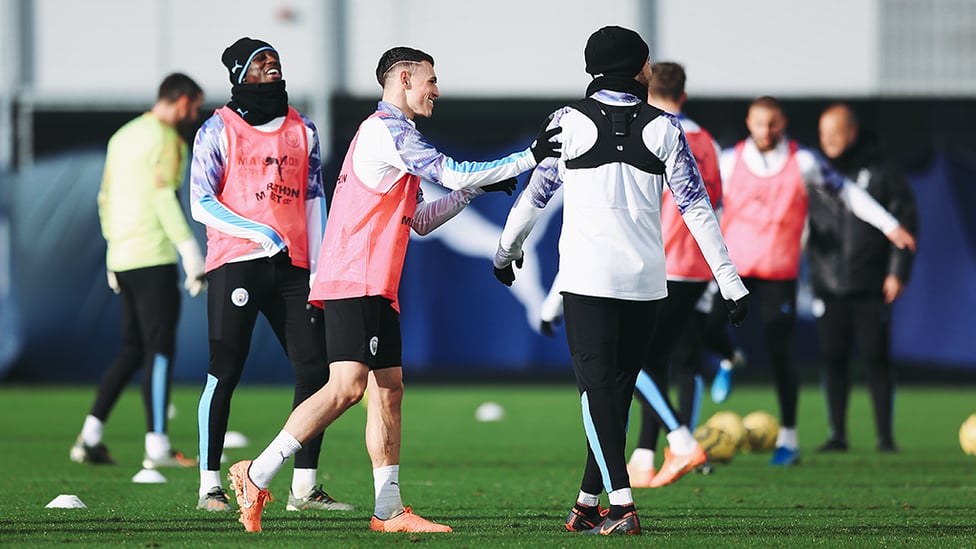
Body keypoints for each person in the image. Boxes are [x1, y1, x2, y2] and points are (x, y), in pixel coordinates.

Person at [225, 45, 559, 534]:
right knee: (347, 388)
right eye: (431, 80)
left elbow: (421, 222)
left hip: (375, 283)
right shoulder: (388, 130)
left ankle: (387, 511)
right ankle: (255, 472)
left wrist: (470, 193)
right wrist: (526, 158)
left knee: (389, 391)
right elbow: (449, 171)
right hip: (354, 278)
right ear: (404, 78)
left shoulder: (397, 137)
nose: (436, 90)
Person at [493, 27, 748, 535]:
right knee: (614, 392)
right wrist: (729, 280)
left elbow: (533, 197)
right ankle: (589, 502)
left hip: (588, 281)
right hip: (648, 283)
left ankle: (623, 506)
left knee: (597, 393)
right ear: (637, 68)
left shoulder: (566, 123)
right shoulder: (667, 129)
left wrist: (507, 252)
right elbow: (698, 210)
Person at [189, 37, 351, 514]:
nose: (271, 66)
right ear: (240, 74)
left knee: (317, 372)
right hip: (235, 262)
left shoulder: (305, 130)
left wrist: (321, 267)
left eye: (274, 59)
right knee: (225, 370)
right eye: (260, 62)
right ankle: (209, 487)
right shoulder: (216, 129)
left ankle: (304, 488)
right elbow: (202, 202)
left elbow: (312, 199)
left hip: (293, 269)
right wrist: (257, 233)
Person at [713, 96, 916, 466]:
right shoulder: (728, 162)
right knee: (704, 327)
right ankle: (727, 359)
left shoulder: (804, 162)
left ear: (783, 122)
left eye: (773, 123)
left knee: (781, 351)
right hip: (735, 270)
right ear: (748, 123)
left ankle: (790, 438)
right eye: (760, 123)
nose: (766, 131)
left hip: (781, 271)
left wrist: (889, 226)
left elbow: (849, 194)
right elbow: (702, 201)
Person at [70, 73, 206, 469]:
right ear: (181, 102)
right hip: (153, 255)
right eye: (194, 107)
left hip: (123, 258)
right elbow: (164, 196)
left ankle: (90, 436)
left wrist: (113, 249)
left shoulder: (122, 136)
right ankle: (157, 447)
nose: (194, 115)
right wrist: (189, 251)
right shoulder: (167, 139)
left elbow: (104, 198)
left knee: (132, 350)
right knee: (159, 350)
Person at [810, 103, 918, 453]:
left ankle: (885, 437)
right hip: (828, 284)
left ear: (852, 133)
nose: (828, 140)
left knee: (876, 359)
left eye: (835, 132)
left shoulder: (882, 169)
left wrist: (897, 272)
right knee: (834, 358)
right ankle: (837, 434)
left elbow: (904, 221)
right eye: (823, 133)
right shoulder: (813, 171)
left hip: (872, 284)